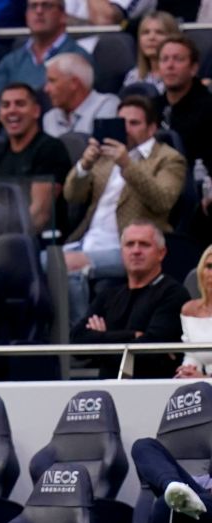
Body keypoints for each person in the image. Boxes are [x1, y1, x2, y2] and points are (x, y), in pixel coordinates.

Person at [62, 95, 186, 325]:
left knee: (67, 265)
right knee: (41, 259)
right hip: (87, 241)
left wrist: (127, 165)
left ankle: (79, 340)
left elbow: (163, 200)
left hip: (130, 245)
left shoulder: (168, 159)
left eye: (134, 123)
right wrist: (84, 165)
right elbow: (72, 195)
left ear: (152, 128)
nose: (126, 129)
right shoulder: (105, 156)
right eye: (122, 122)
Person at [70, 222, 190, 379]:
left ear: (161, 253)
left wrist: (101, 342)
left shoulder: (173, 293)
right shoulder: (108, 295)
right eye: (130, 244)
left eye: (144, 244)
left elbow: (148, 353)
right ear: (122, 252)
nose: (136, 251)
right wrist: (133, 335)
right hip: (107, 393)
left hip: (154, 392)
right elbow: (78, 341)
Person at [0, 83, 72, 232]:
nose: (12, 110)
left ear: (36, 111)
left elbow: (40, 214)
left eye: (20, 104)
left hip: (41, 242)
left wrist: (6, 241)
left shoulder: (50, 148)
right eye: (6, 105)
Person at [0, 0, 91, 112]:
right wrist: (13, 113)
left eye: (47, 6)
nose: (39, 11)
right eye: (33, 6)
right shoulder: (12, 60)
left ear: (63, 16)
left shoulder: (79, 57)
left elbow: (79, 100)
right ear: (26, 15)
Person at [158, 34, 212, 167]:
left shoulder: (209, 109)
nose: (170, 65)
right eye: (164, 59)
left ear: (193, 68)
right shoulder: (151, 108)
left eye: (178, 59)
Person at [42, 53, 119, 138]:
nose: (46, 89)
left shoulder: (107, 106)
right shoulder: (50, 118)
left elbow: (106, 149)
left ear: (74, 83)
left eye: (52, 81)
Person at [176, 246, 212, 379]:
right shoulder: (189, 310)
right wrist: (186, 372)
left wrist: (204, 378)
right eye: (209, 266)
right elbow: (191, 356)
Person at [123, 11, 178, 95]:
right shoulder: (133, 76)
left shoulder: (182, 77)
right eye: (146, 32)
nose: (151, 38)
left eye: (159, 32)